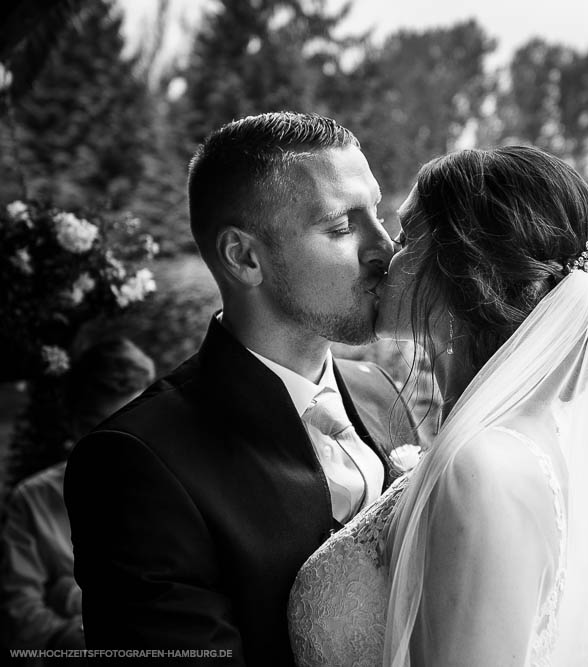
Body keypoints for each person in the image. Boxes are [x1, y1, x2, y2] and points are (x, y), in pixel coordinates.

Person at [65, 112, 419, 666]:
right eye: (342, 226)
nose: (386, 249)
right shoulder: (135, 463)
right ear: (244, 257)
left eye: (376, 214)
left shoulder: (378, 392)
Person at [288, 146, 588, 666]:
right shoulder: (507, 435)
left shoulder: (482, 464)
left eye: (405, 236)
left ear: (462, 270)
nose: (382, 252)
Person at [0, 338, 154, 662]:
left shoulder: (182, 496)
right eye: (101, 429)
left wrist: (67, 596)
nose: (118, 447)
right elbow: (18, 613)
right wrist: (77, 637)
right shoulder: (32, 501)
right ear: (74, 425)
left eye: (132, 426)